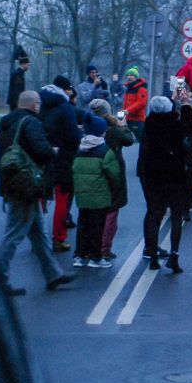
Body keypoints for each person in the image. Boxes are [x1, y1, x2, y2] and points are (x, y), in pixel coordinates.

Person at [0, 90, 72, 295]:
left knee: (39, 233)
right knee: (14, 234)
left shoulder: (7, 123)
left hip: (13, 181)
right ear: (34, 104)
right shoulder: (31, 123)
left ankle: (53, 274)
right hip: (26, 184)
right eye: (38, 104)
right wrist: (52, 151)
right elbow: (41, 149)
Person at [137, 95, 192, 272]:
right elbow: (189, 127)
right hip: (174, 174)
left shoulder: (149, 124)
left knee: (154, 213)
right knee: (176, 216)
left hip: (152, 174)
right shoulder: (175, 125)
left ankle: (153, 255)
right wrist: (185, 105)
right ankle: (174, 255)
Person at [71, 113, 121, 269]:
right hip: (100, 197)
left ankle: (79, 255)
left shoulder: (79, 150)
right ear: (102, 132)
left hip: (82, 196)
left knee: (83, 225)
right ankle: (96, 257)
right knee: (97, 227)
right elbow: (114, 175)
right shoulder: (105, 151)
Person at [89, 99, 135, 261]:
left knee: (92, 209)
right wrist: (123, 123)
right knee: (111, 209)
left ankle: (89, 246)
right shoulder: (113, 129)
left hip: (92, 168)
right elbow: (129, 140)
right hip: (112, 168)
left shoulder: (87, 126)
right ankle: (104, 247)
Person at [40, 78, 82, 252]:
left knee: (40, 198)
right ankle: (59, 238)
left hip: (42, 155)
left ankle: (39, 236)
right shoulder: (65, 108)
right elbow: (73, 136)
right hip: (63, 158)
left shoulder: (41, 104)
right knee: (62, 200)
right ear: (65, 90)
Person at [122, 66, 148, 142]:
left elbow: (141, 103)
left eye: (132, 75)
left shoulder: (141, 88)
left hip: (137, 120)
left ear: (136, 77)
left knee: (142, 141)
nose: (129, 77)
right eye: (128, 75)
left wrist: (127, 111)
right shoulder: (129, 88)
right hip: (128, 119)